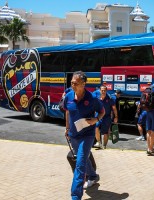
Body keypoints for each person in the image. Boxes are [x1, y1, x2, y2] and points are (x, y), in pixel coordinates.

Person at [63, 71, 105, 199]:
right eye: (71, 83)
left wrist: (95, 120)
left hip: (87, 136)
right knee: (84, 158)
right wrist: (67, 128)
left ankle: (75, 196)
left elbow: (102, 112)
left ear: (83, 84)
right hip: (74, 135)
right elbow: (67, 112)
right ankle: (92, 175)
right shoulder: (68, 96)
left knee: (80, 164)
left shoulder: (92, 99)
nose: (72, 85)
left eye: (75, 83)